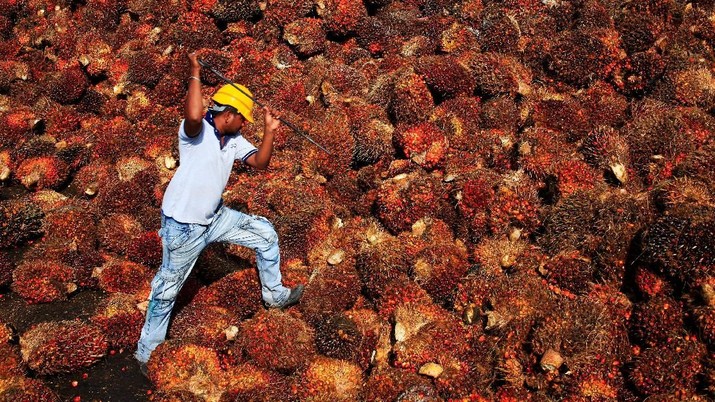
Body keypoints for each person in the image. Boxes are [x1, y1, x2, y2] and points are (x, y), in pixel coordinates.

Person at [135, 52, 304, 375]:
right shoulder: (196, 133)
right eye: (244, 119)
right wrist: (195, 73)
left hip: (214, 217)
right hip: (183, 226)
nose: (245, 125)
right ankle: (147, 353)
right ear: (230, 114)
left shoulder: (234, 139)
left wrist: (270, 131)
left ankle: (275, 295)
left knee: (265, 233)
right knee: (167, 288)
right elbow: (195, 114)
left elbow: (260, 163)